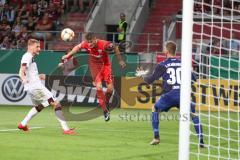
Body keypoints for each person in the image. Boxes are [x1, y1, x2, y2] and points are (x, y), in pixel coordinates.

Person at [136, 41, 204, 147]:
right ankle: (201, 141)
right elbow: (194, 79)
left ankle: (156, 137)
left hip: (170, 95)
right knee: (194, 115)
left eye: (164, 48)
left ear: (166, 51)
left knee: (155, 109)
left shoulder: (162, 65)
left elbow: (149, 80)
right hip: (183, 94)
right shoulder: (184, 63)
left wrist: (141, 75)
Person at [62, 32, 126, 121]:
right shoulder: (86, 43)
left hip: (106, 65)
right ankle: (105, 110)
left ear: (95, 39)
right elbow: (77, 47)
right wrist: (68, 55)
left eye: (91, 42)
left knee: (110, 89)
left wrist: (120, 61)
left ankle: (106, 102)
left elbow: (114, 47)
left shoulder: (103, 44)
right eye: (88, 42)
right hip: (94, 66)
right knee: (98, 87)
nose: (89, 44)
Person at [18, 39, 76, 135]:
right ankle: (66, 129)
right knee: (56, 103)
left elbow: (26, 71)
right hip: (36, 87)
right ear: (30, 46)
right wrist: (23, 78)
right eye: (37, 47)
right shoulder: (27, 56)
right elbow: (21, 70)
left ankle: (23, 124)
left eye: (39, 47)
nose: (39, 49)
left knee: (39, 107)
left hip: (31, 88)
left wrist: (39, 76)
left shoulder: (30, 58)